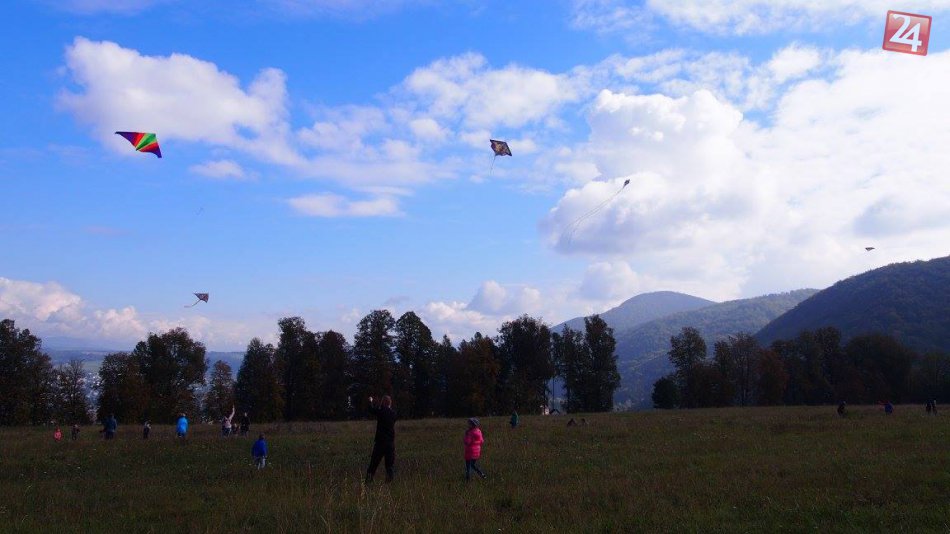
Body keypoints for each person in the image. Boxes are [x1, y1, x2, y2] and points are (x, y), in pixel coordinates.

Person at [365, 395, 396, 484]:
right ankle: (389, 483)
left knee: (373, 464)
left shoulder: (381, 411)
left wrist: (370, 401)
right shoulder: (393, 414)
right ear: (390, 403)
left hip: (380, 443)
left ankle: (368, 482)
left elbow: (371, 410)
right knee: (389, 466)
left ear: (383, 403)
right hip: (390, 443)